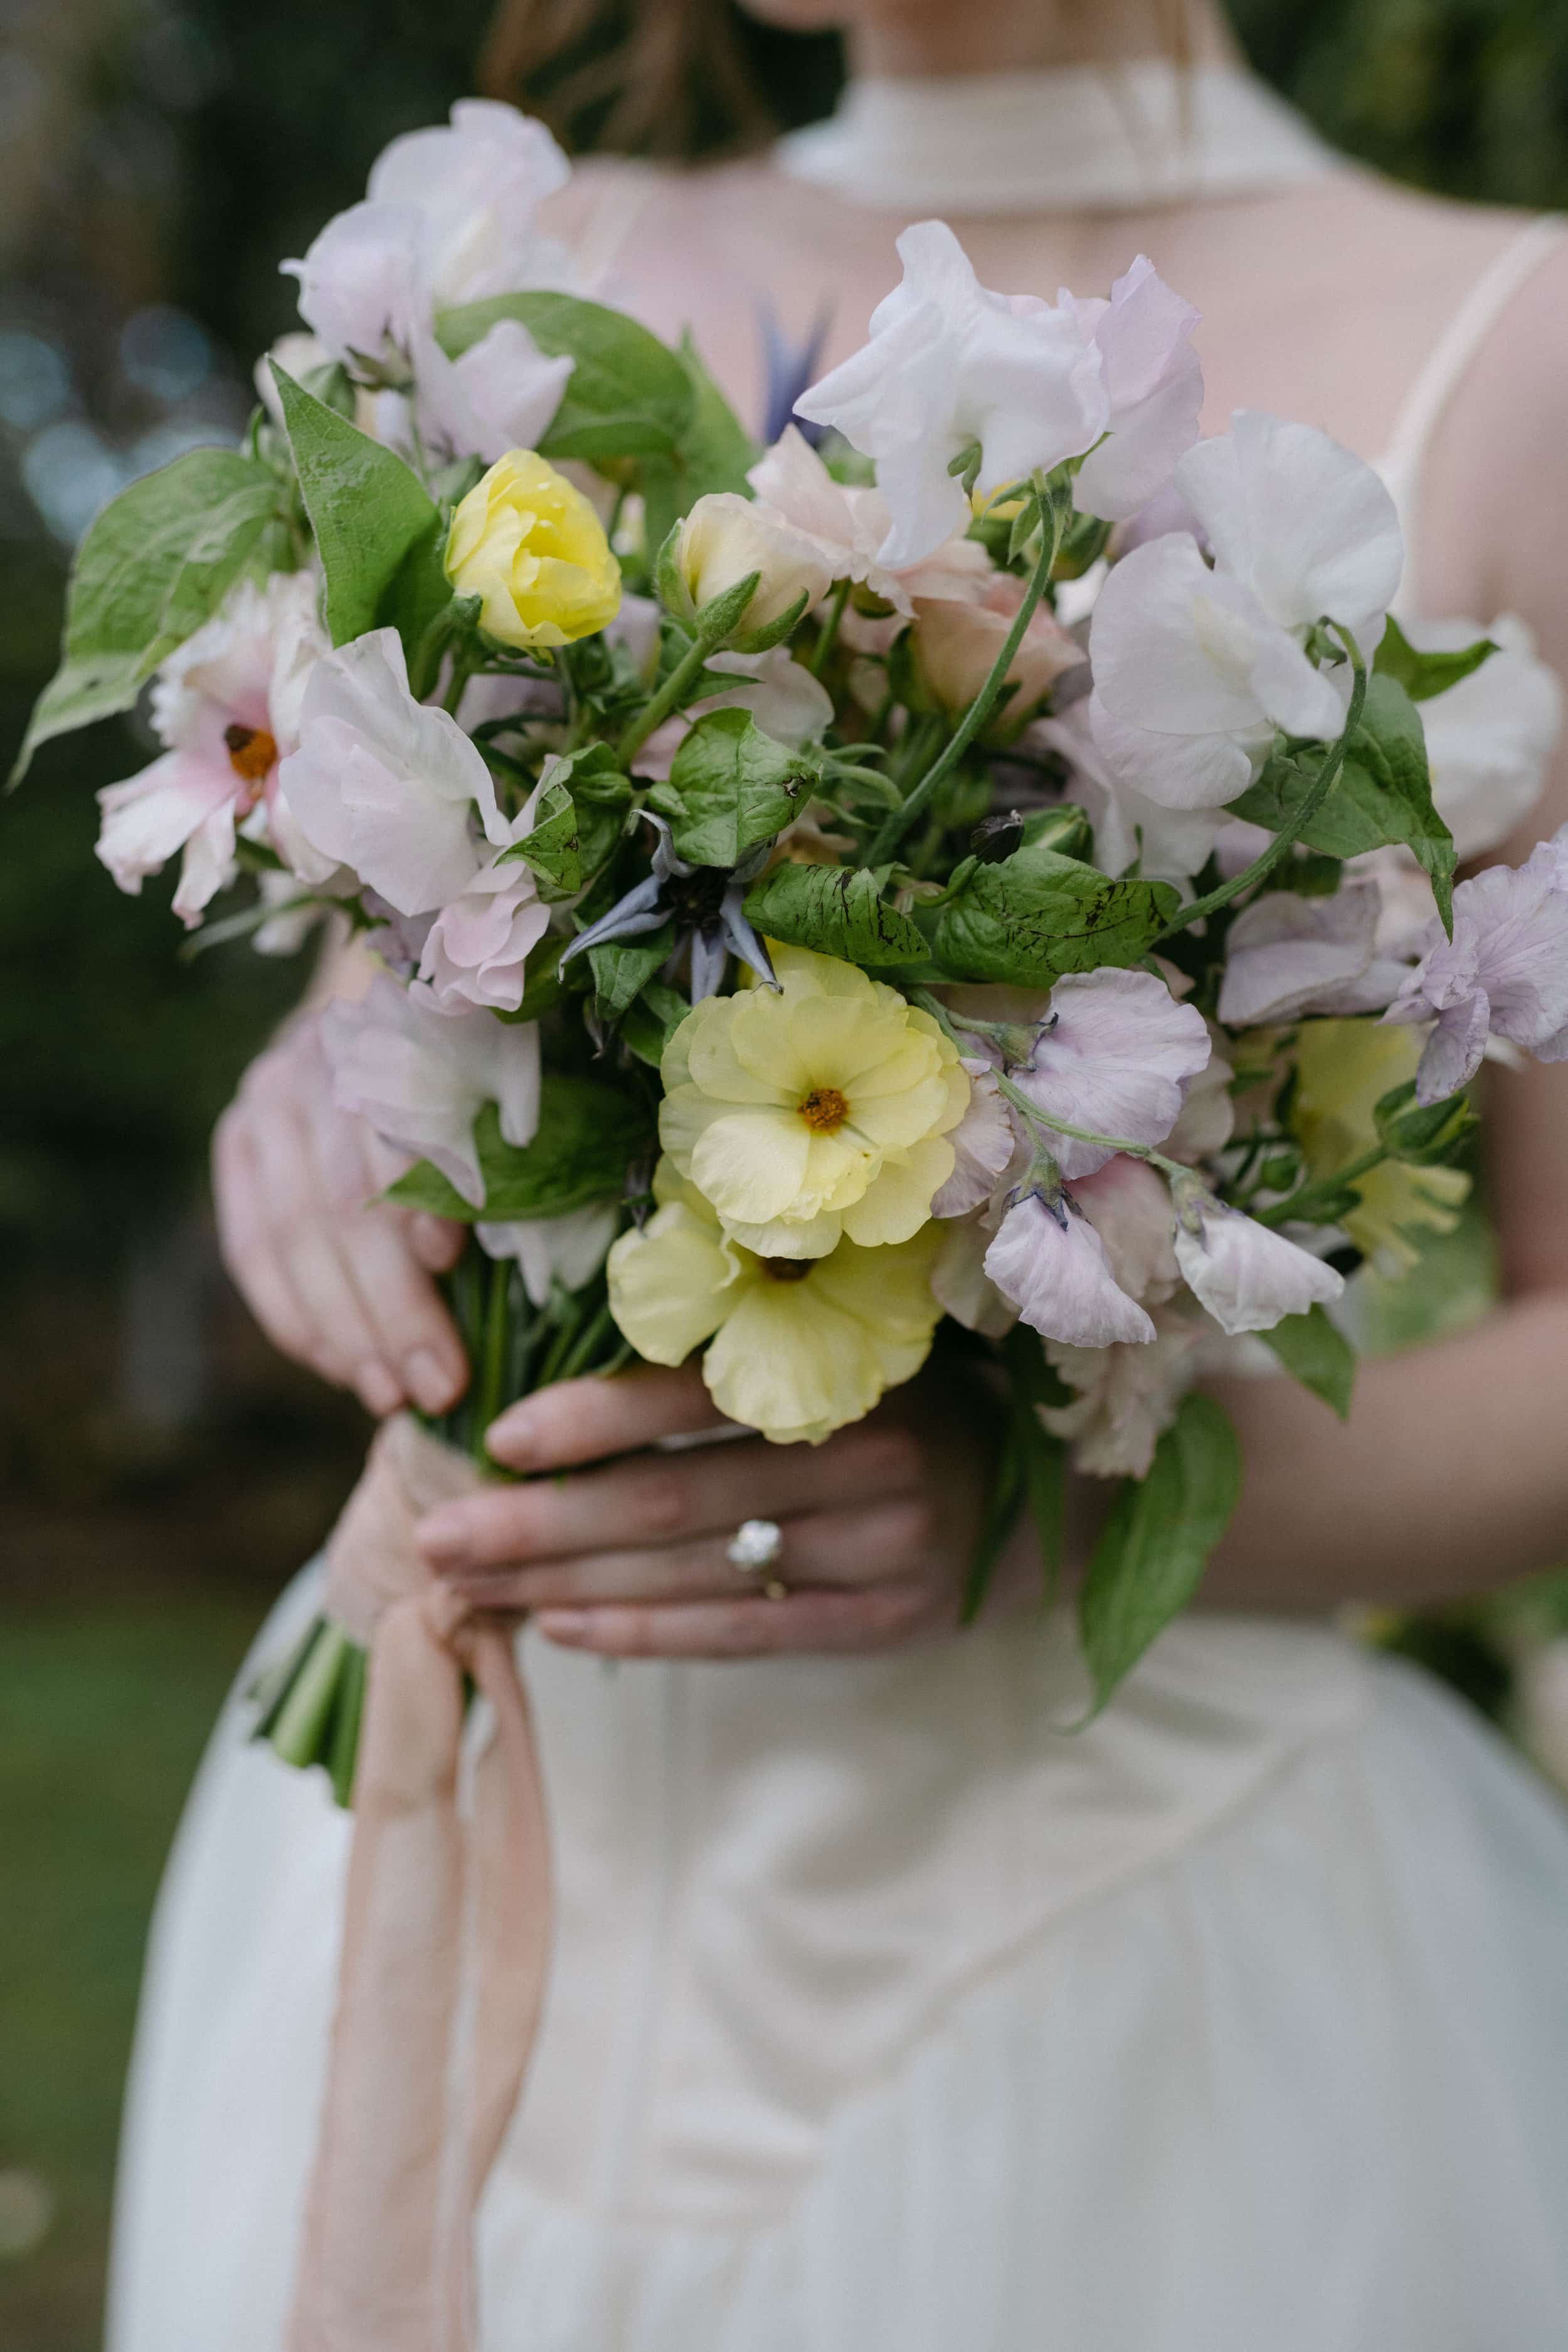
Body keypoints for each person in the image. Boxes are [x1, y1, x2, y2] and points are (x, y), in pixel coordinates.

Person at [110, 3, 1568, 2346]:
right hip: (440, 1821)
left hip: (1132, 1980)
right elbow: (404, 972)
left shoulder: (1519, 345)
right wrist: (314, 1125)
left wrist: (1041, 1503)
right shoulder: (535, 267)